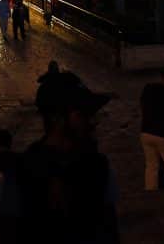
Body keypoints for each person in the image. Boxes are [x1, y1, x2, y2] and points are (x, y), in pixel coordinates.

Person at [16, 70, 118, 243]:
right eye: (82, 115)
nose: (93, 121)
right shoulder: (24, 172)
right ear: (56, 119)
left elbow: (108, 229)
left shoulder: (98, 167)